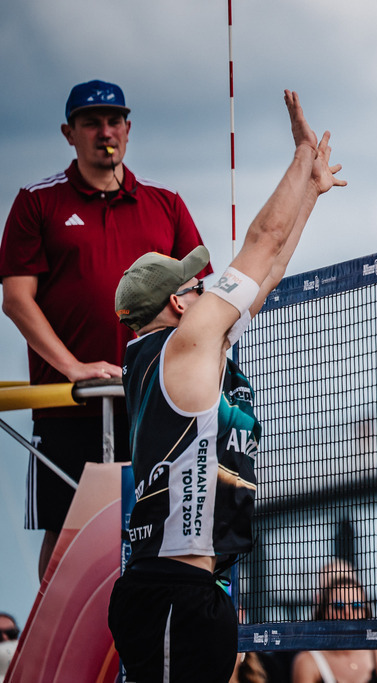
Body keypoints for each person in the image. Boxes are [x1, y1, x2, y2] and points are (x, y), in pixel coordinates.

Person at [106, 90, 346, 683]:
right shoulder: (183, 347)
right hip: (169, 591)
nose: (205, 289)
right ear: (176, 302)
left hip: (195, 588)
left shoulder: (193, 351)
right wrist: (298, 157)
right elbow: (258, 243)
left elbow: (269, 271)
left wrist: (310, 193)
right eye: (194, 285)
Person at [0, 79, 211, 579]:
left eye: (114, 120)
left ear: (129, 129)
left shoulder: (166, 204)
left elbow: (202, 296)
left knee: (171, 528)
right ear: (68, 133)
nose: (105, 132)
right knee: (65, 537)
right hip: (73, 405)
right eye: (91, 122)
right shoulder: (37, 203)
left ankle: (147, 641)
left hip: (156, 402)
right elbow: (16, 300)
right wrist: (74, 369)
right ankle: (63, 651)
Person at [292, 573, 377, 683]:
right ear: (324, 612)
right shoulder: (308, 661)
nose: (347, 612)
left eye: (356, 606)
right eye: (338, 606)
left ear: (365, 612)